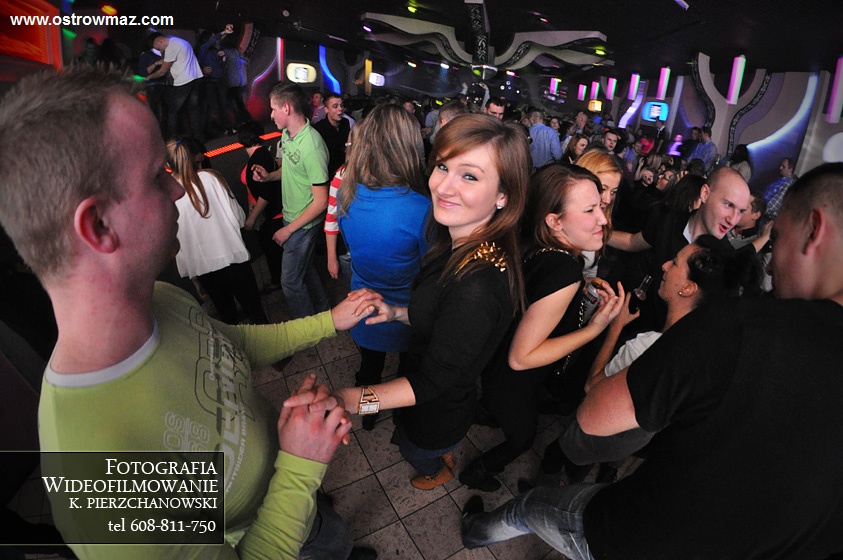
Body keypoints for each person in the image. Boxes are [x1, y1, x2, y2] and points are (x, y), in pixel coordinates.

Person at [0, 66, 383, 560]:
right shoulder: (96, 469)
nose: (178, 189)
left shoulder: (161, 298)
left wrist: (329, 321)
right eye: (156, 175)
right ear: (98, 225)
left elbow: (231, 345)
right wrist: (300, 466)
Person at [461, 162, 843, 560]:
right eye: (729, 205)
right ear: (704, 195)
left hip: (638, 529)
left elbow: (591, 410)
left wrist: (606, 329)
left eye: (775, 237)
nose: (771, 263)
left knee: (534, 501)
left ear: (814, 231)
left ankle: (479, 528)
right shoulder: (665, 227)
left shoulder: (729, 328)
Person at [288, 113, 531, 491]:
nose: (444, 186)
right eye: (442, 167)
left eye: (469, 176)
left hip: (436, 415)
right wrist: (398, 312)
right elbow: (442, 320)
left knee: (416, 450)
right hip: (425, 396)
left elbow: (429, 383)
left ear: (504, 195)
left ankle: (439, 469)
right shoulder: (455, 242)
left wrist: (349, 400)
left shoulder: (477, 287)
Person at [459, 164, 624, 492]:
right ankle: (475, 472)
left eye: (602, 207)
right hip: (513, 380)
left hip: (493, 365)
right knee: (522, 440)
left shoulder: (535, 244)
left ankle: (486, 412)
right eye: (590, 210)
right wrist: (594, 329)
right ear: (554, 221)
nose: (603, 220)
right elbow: (521, 357)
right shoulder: (565, 271)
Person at [335, 104, 431, 431]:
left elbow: (353, 246)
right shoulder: (421, 207)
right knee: (406, 370)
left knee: (369, 368)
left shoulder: (347, 193)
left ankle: (369, 414)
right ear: (409, 146)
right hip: (406, 310)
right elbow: (429, 267)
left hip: (363, 303)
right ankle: (400, 414)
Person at [252, 82, 332, 319]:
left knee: (290, 282)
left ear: (286, 108)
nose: (271, 115)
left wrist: (288, 230)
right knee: (305, 269)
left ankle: (308, 330)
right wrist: (269, 176)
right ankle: (324, 308)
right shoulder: (287, 135)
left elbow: (321, 202)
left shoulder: (312, 146)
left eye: (273, 109)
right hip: (292, 216)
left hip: (302, 223)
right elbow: (290, 169)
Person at [168, 137, 268, 325]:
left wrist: (194, 278)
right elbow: (238, 218)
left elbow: (178, 242)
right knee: (256, 313)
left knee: (228, 319)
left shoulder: (169, 194)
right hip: (234, 259)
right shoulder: (212, 178)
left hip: (205, 270)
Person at [239, 122, 284, 292]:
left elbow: (265, 195)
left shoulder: (257, 160)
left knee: (272, 252)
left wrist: (251, 219)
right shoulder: (263, 153)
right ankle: (279, 280)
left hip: (268, 216)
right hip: (271, 213)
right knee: (273, 252)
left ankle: (278, 282)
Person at [145, 32, 204, 141]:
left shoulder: (171, 47)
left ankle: (172, 139)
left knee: (173, 111)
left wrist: (148, 77)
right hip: (196, 78)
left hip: (183, 81)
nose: (159, 50)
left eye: (157, 48)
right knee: (193, 110)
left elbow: (162, 71)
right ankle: (199, 138)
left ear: (159, 41)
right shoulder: (181, 41)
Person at [313, 92, 352, 179]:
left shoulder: (345, 123)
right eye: (335, 106)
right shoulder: (318, 129)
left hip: (344, 171)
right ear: (326, 109)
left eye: (341, 105)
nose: (340, 109)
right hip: (327, 173)